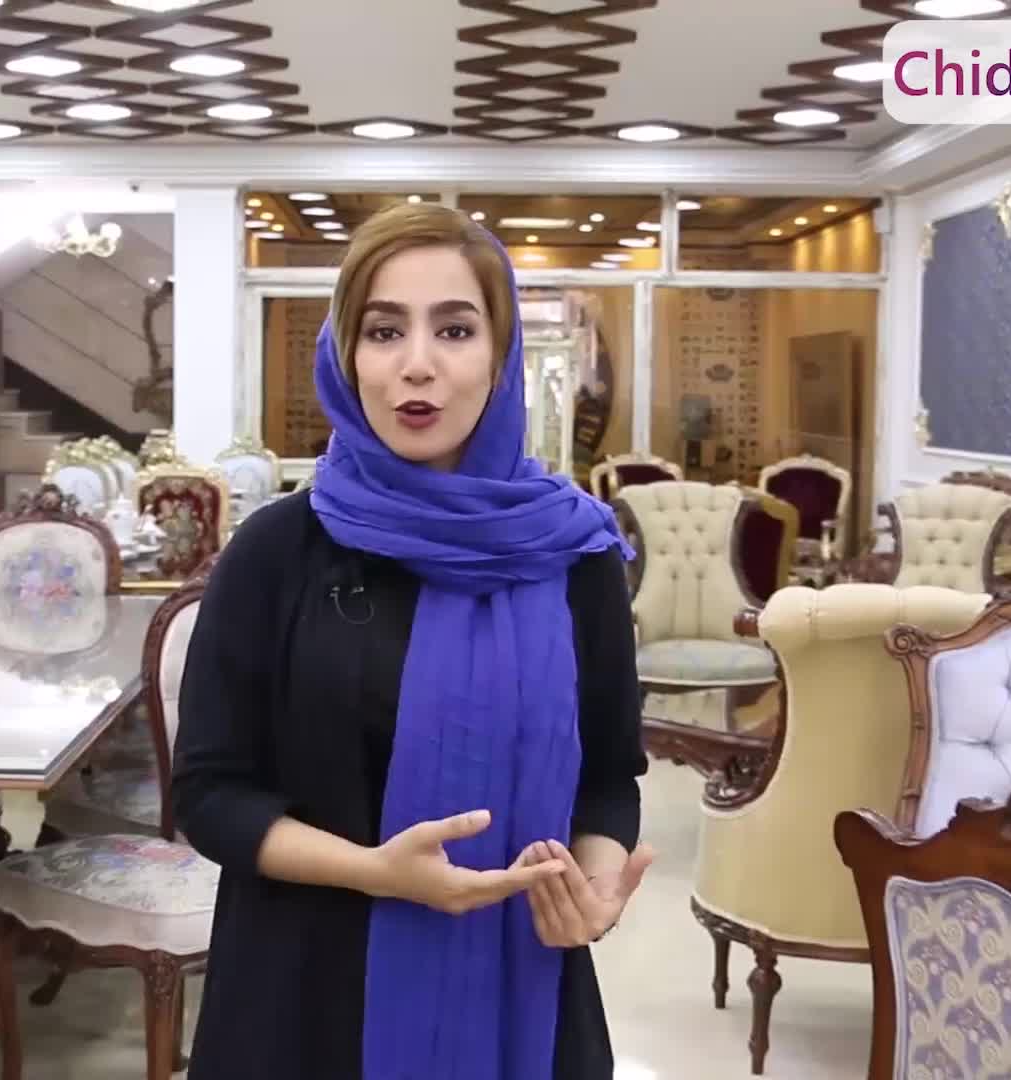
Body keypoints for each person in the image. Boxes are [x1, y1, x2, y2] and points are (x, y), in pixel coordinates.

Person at [171, 201, 653, 1080]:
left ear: (500, 356)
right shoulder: (278, 550)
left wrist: (594, 885)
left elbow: (609, 777)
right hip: (303, 996)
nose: (417, 364)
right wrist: (374, 871)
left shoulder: (574, 553)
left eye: (455, 330)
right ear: (346, 354)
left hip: (521, 988)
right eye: (384, 330)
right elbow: (210, 794)